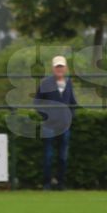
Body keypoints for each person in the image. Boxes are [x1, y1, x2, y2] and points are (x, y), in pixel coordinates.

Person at [34, 55, 78, 190]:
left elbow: (73, 103)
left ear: (65, 68)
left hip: (65, 126)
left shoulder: (69, 83)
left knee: (63, 157)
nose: (59, 69)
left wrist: (70, 118)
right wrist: (46, 116)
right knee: (48, 156)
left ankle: (60, 183)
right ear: (53, 68)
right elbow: (37, 102)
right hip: (49, 125)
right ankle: (47, 183)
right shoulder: (45, 83)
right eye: (57, 66)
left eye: (62, 66)